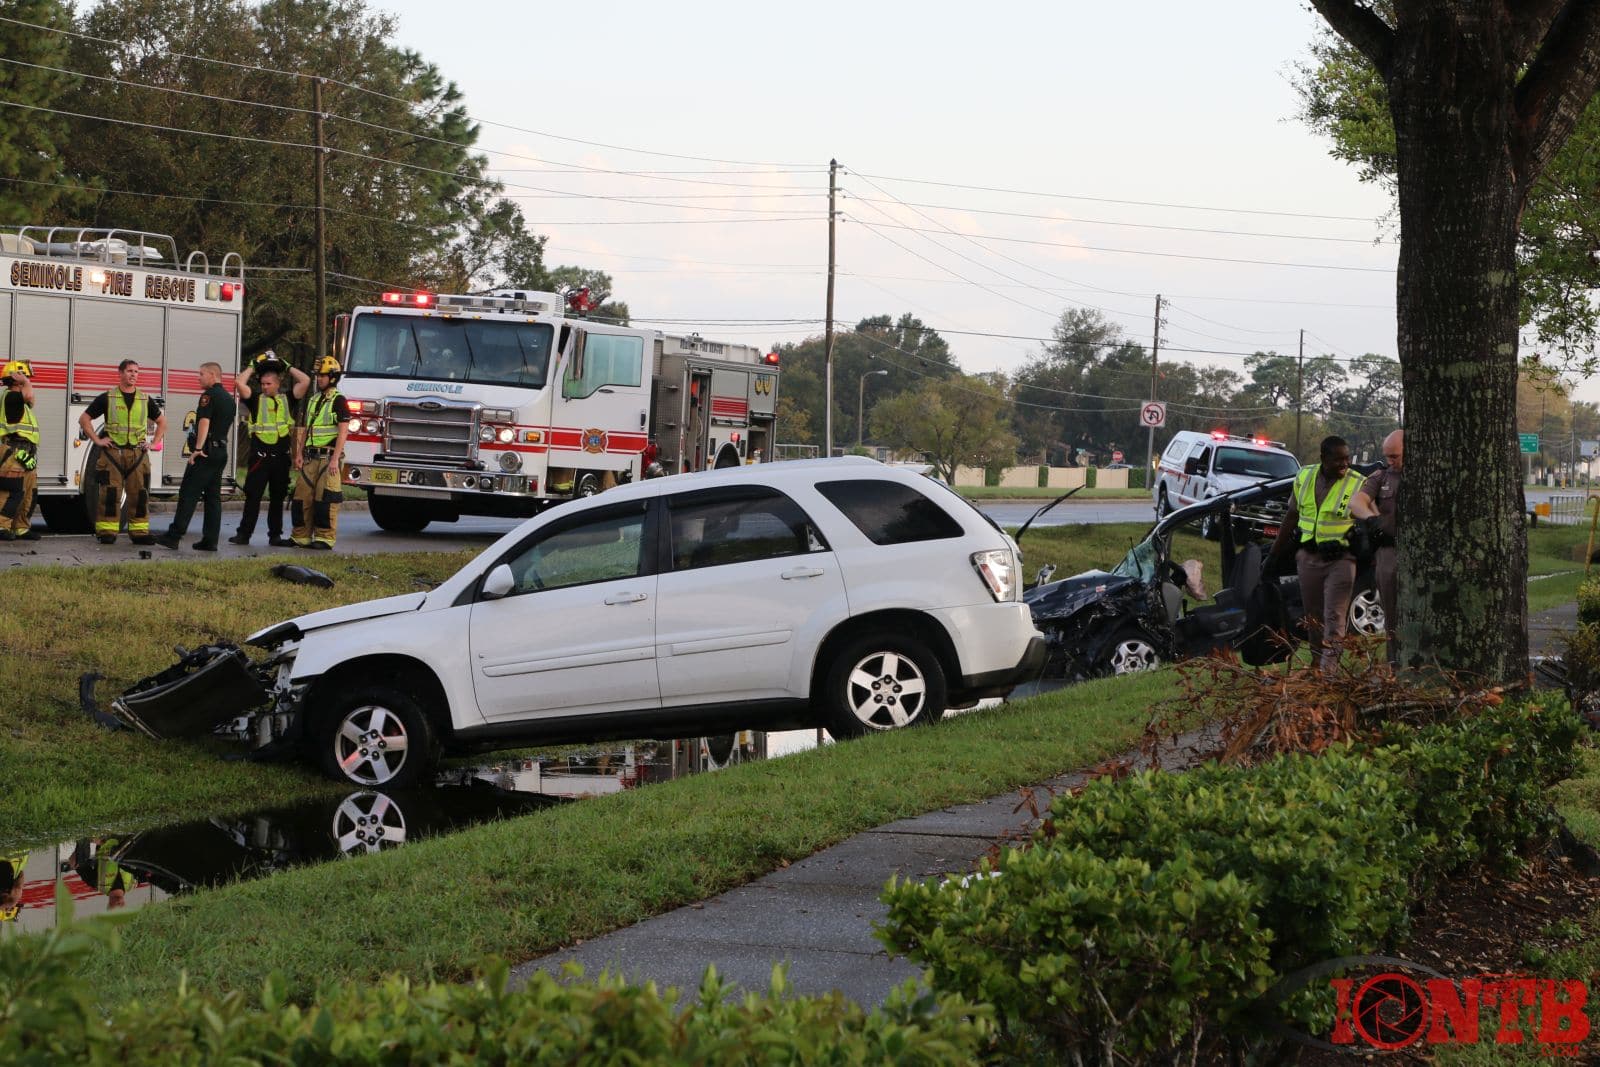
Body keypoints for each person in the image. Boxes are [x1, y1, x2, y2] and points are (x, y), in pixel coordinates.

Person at [1270, 435, 1371, 671]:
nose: (1344, 465)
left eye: (1347, 459)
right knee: (1313, 617)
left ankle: (1329, 672)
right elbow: (1291, 517)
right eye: (1338, 460)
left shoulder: (1358, 483)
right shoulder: (1304, 476)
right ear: (1323, 458)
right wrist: (1274, 554)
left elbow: (1368, 521)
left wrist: (1350, 541)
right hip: (1308, 557)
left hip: (1341, 560)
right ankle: (1316, 665)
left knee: (1334, 616)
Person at [79, 358, 167, 544]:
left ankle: (140, 533)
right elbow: (84, 419)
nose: (133, 375)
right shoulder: (108, 398)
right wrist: (97, 440)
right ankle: (107, 533)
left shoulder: (145, 399)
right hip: (113, 455)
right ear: (120, 374)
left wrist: (153, 443)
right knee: (110, 495)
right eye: (129, 371)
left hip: (137, 455)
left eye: (136, 372)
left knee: (140, 495)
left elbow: (162, 422)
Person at [229, 352, 309, 547]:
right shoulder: (256, 399)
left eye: (268, 384)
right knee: (253, 497)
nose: (264, 387)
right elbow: (239, 384)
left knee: (277, 498)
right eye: (263, 384)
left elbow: (305, 380)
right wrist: (253, 366)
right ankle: (244, 534)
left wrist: (287, 365)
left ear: (278, 383)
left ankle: (275, 536)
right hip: (259, 457)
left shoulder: (288, 398)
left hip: (281, 458)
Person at [156, 362, 235, 552]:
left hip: (206, 452)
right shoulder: (229, 399)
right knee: (213, 497)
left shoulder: (208, 396)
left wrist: (198, 448)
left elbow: (204, 423)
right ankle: (210, 540)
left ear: (213, 375)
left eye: (201, 374)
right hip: (220, 452)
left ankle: (174, 536)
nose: (198, 377)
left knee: (188, 493)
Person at [1353, 429, 1404, 664]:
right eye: (1387, 456)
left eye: (1395, 456)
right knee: (1391, 614)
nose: (1390, 461)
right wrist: (1372, 519)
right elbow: (1357, 502)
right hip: (1389, 552)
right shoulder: (1381, 476)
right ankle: (1394, 665)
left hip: (1418, 553)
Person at [291, 356, 351, 550]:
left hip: (328, 458)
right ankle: (301, 537)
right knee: (302, 498)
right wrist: (299, 453)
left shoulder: (339, 401)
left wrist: (335, 460)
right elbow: (307, 428)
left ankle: (325, 538)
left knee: (325, 499)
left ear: (333, 377)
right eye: (318, 375)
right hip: (310, 456)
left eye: (322, 376)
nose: (319, 379)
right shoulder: (314, 400)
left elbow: (343, 432)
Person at [0, 360, 40, 541]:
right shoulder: (11, 397)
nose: (28, 381)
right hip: (13, 451)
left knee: (29, 492)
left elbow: (31, 400)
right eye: (24, 377)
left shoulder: (19, 401)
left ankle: (21, 527)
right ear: (16, 380)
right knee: (11, 491)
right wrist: (26, 382)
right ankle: (2, 526)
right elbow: (30, 396)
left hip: (26, 452)